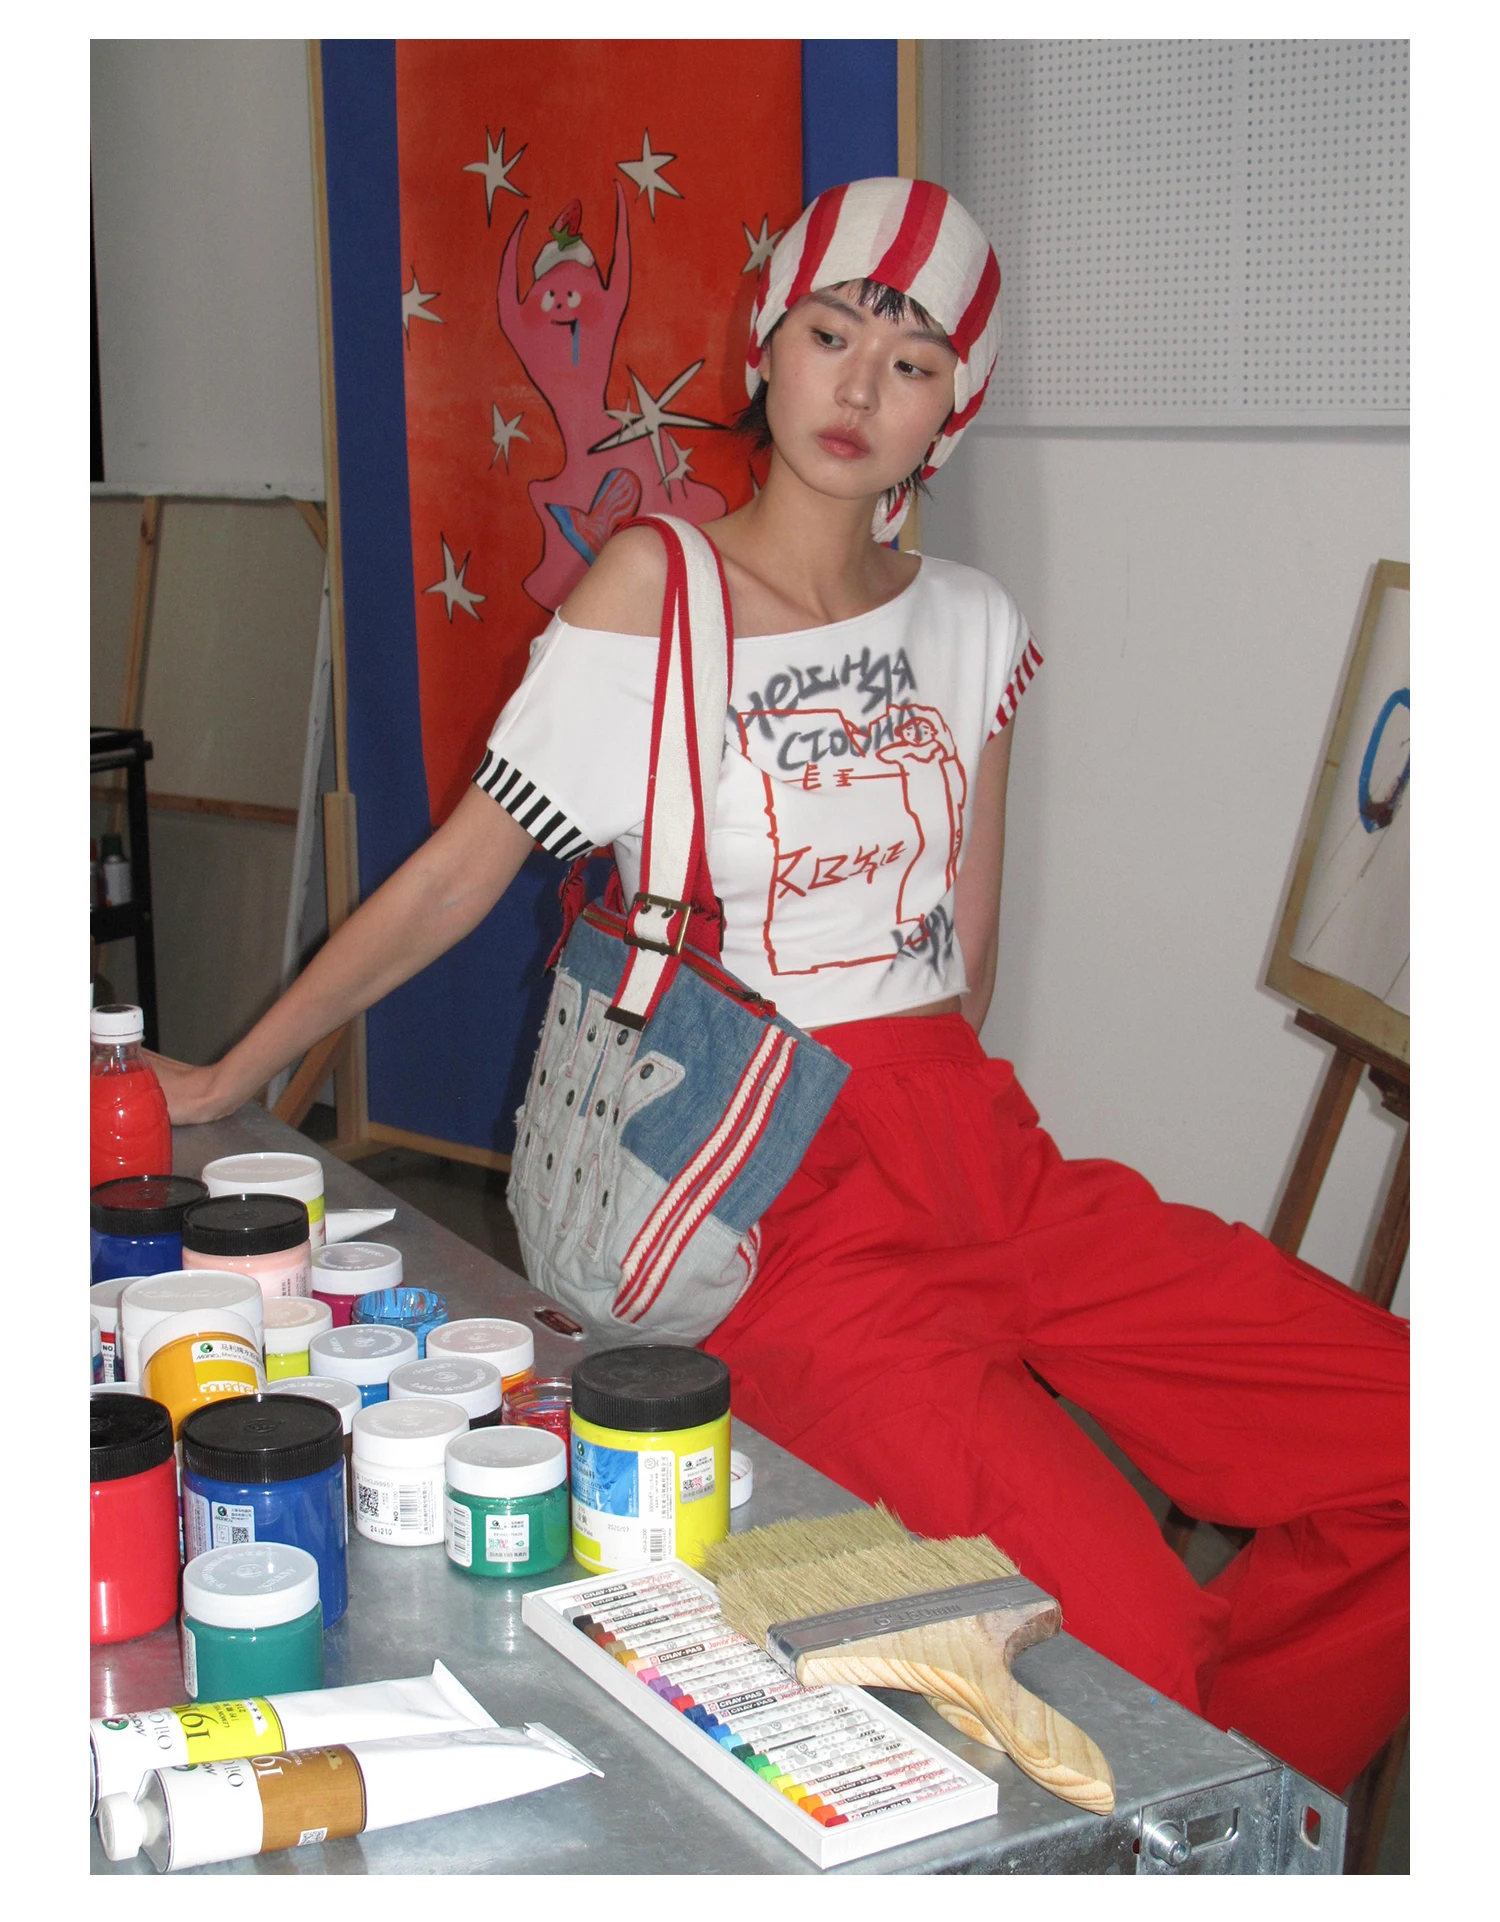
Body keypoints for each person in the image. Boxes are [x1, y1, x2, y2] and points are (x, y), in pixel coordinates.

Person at [154, 177, 1407, 1795]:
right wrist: (233, 1072)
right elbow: (460, 874)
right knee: (1134, 1643)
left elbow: (962, 958)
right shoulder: (654, 593)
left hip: (985, 1156)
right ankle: (1199, 1779)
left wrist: (950, 1152)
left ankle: (1240, 1794)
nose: (861, 384)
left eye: (915, 359)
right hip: (773, 1196)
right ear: (769, 344)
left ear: (952, 408)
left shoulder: (975, 624)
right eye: (833, 332)